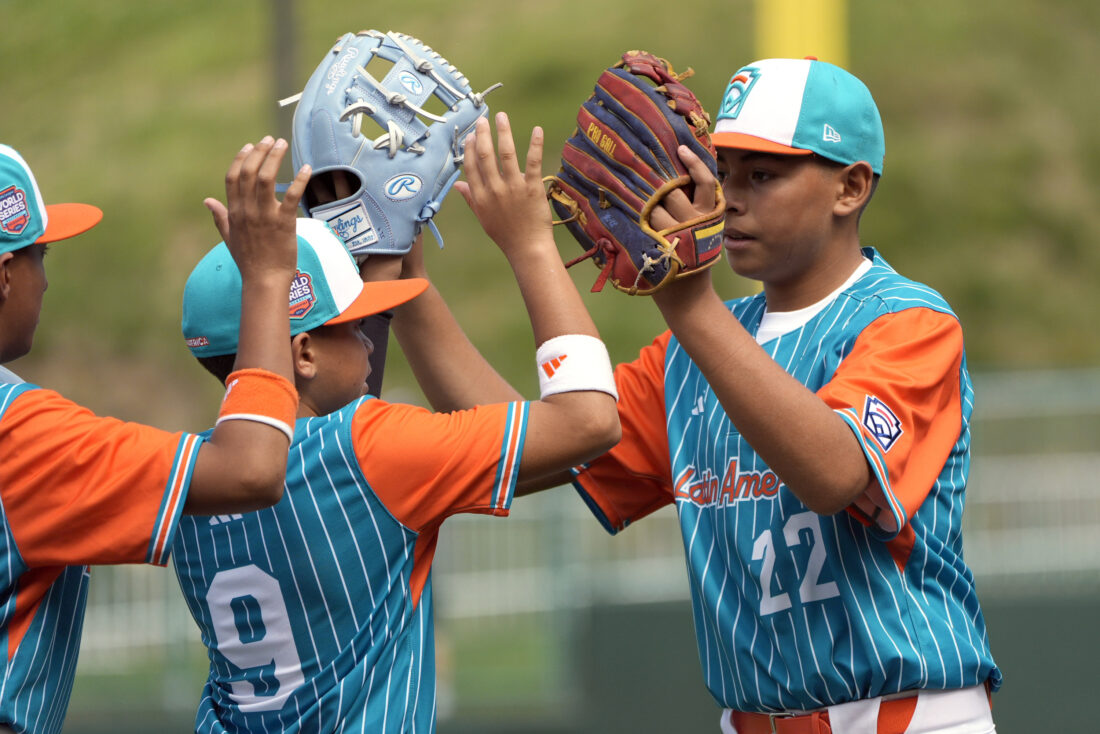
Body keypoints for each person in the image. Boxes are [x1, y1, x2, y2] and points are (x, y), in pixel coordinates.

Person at [393, 60, 1001, 733]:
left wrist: (689, 303)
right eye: (721, 169)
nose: (730, 196)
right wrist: (407, 287)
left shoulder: (908, 323)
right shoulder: (691, 352)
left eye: (763, 175)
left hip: (906, 716)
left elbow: (833, 473)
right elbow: (526, 449)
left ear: (850, 187)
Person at [170, 112, 621, 733]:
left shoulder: (188, 476)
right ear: (301, 354)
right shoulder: (374, 448)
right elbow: (589, 425)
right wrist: (532, 244)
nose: (367, 343)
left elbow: (324, 443)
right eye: (355, 328)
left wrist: (381, 264)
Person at [0, 136, 311, 734]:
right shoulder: (20, 433)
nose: (47, 278)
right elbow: (251, 468)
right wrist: (270, 280)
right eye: (41, 253)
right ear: (5, 274)